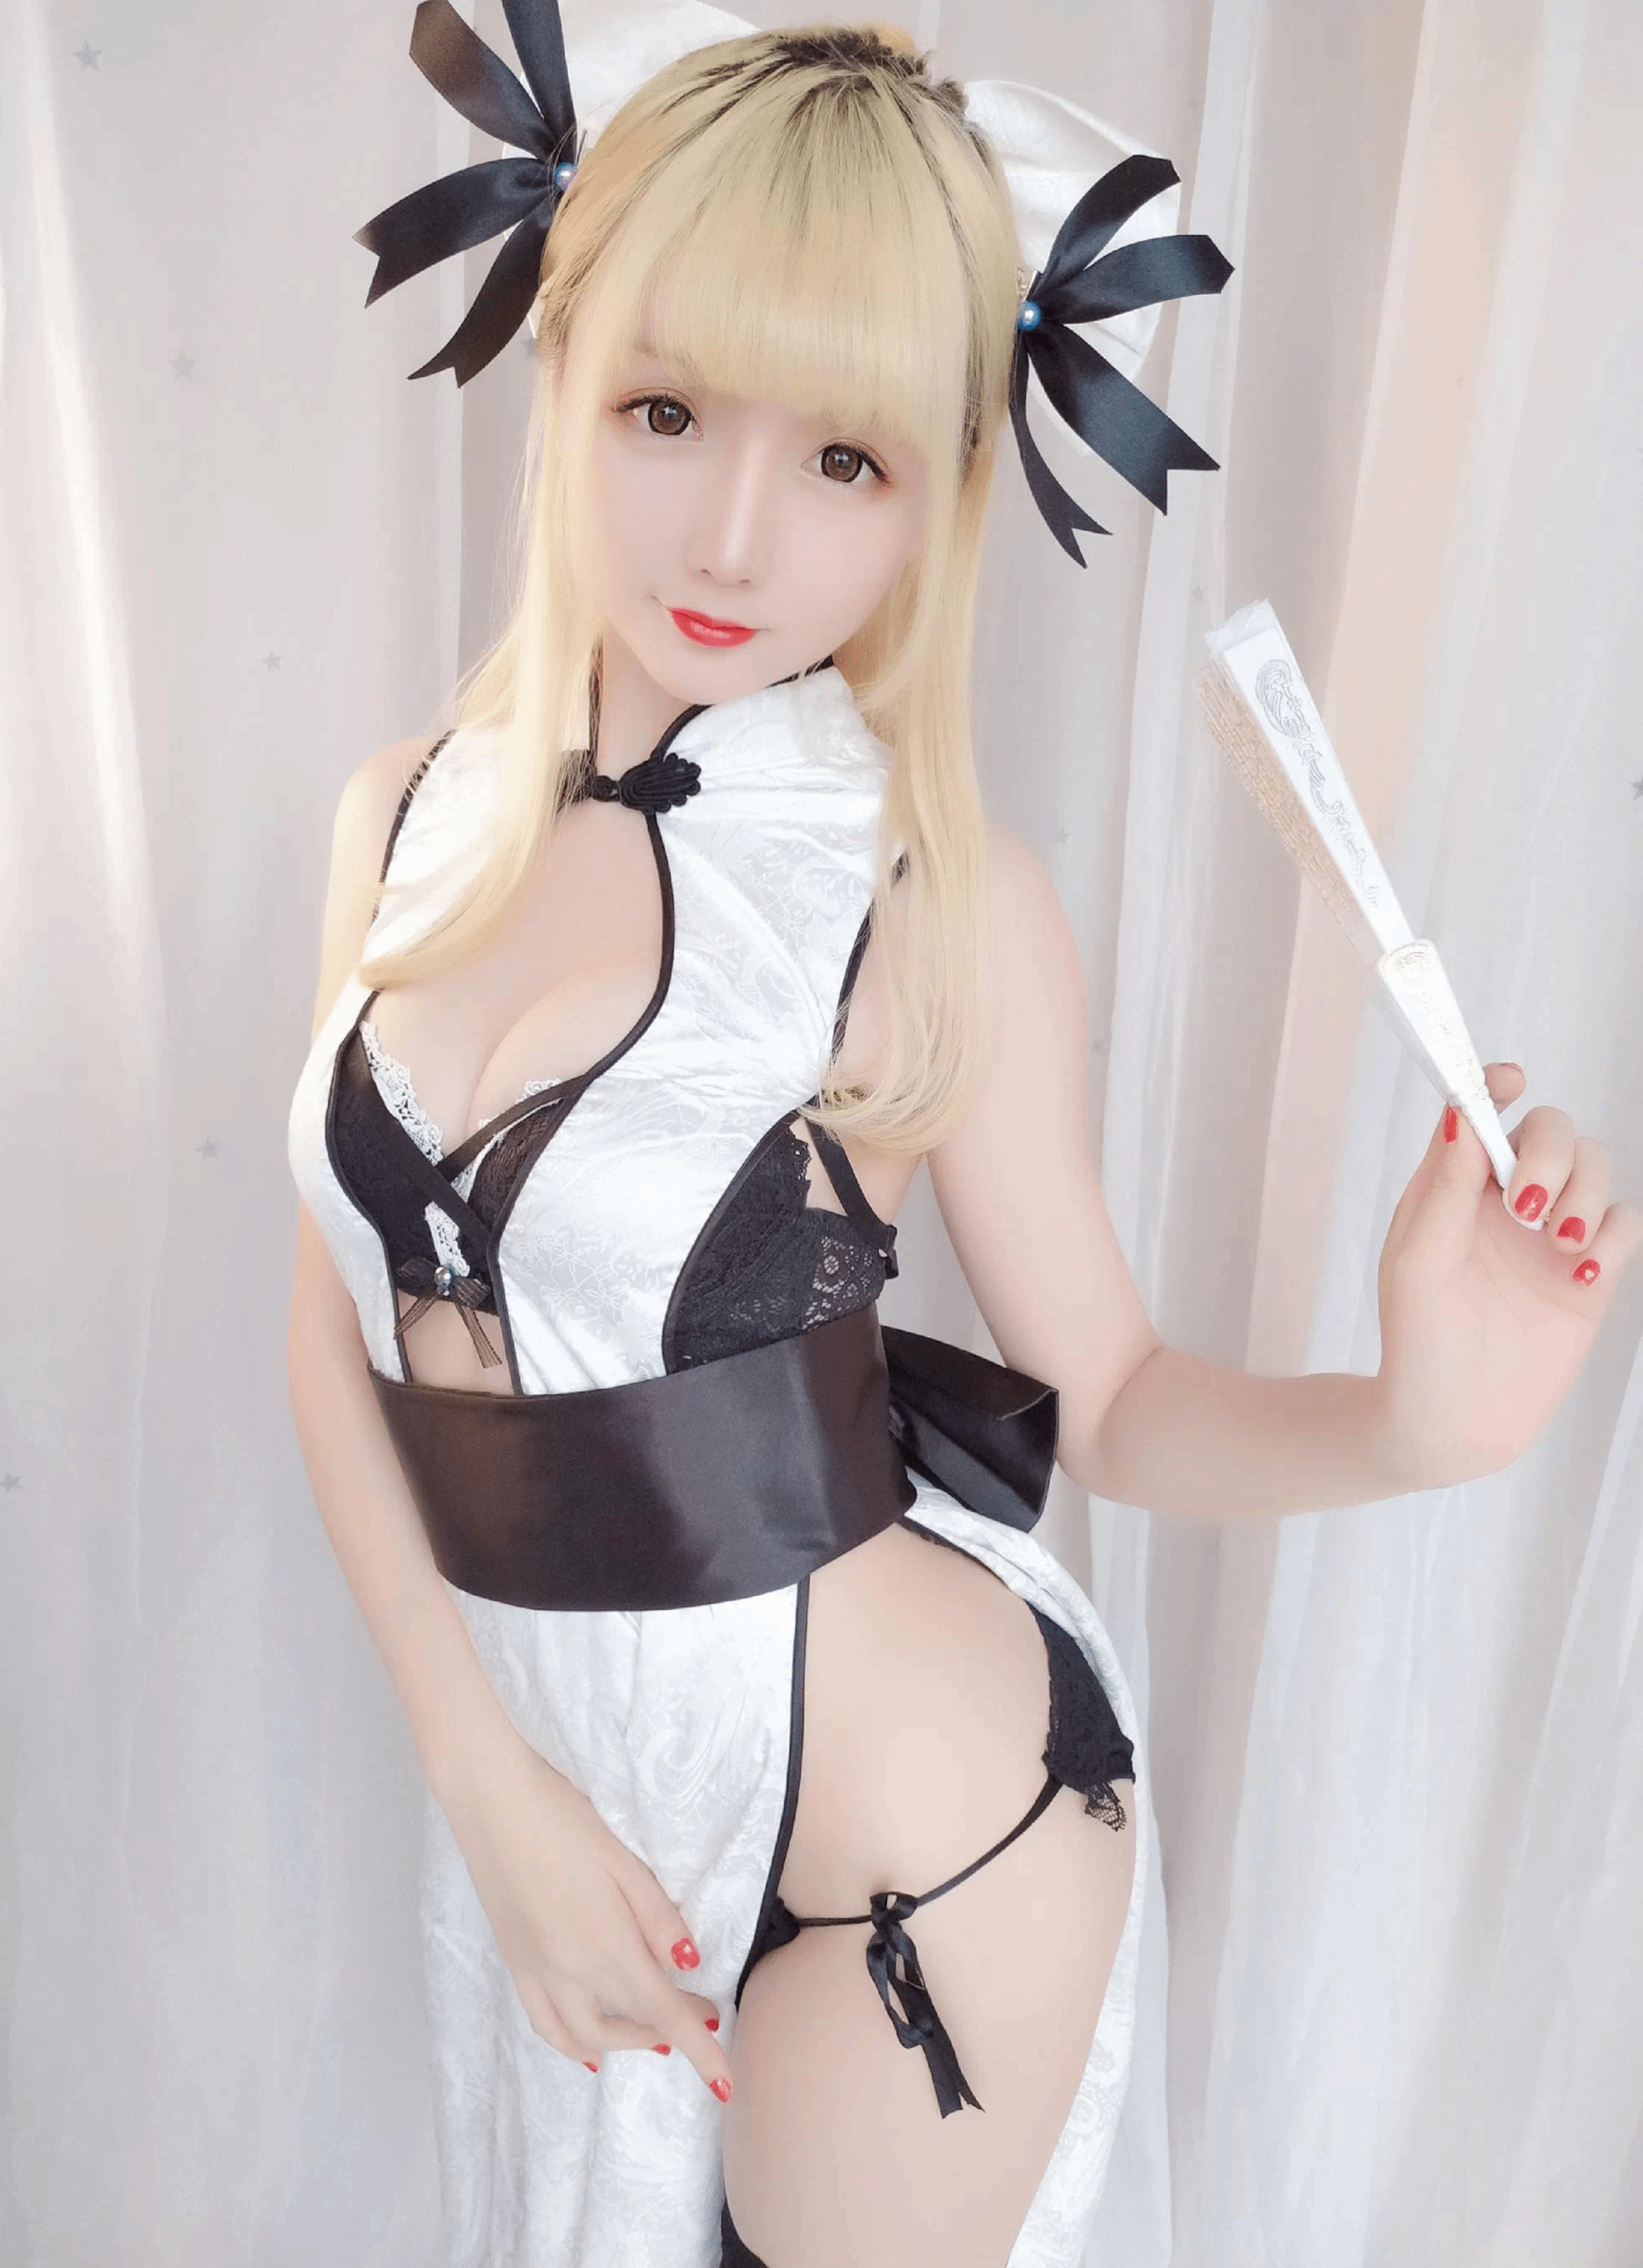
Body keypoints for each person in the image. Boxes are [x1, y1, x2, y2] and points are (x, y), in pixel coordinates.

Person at [286, 16, 1637, 2266]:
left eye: (847, 456)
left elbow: (1113, 1391)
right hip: (567, 1800)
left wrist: (1414, 1427)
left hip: (916, 1851)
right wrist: (483, 1782)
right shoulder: (401, 821)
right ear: (563, 359)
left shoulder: (936, 900)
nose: (738, 534)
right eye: (667, 411)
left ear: (942, 494)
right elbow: (331, 1340)